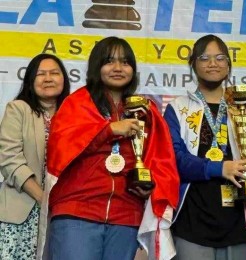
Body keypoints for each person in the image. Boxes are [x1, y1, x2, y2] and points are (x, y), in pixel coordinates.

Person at [44, 36, 179, 260]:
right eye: (109, 61)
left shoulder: (146, 110)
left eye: (125, 62)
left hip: (126, 216)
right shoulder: (76, 103)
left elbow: (161, 158)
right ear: (97, 67)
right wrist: (109, 130)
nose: (118, 68)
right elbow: (61, 150)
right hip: (78, 213)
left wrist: (151, 186)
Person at [163, 34, 246, 260]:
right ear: (193, 64)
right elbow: (174, 158)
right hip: (192, 217)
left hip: (237, 217)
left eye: (220, 57)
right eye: (205, 57)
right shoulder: (178, 107)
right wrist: (220, 168)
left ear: (229, 65)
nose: (213, 63)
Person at [0, 53, 70, 259]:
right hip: (21, 212)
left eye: (54, 73)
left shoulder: (74, 117)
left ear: (64, 79)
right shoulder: (18, 109)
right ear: (31, 81)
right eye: (41, 74)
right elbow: (9, 158)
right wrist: (43, 198)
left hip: (62, 215)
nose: (48, 78)